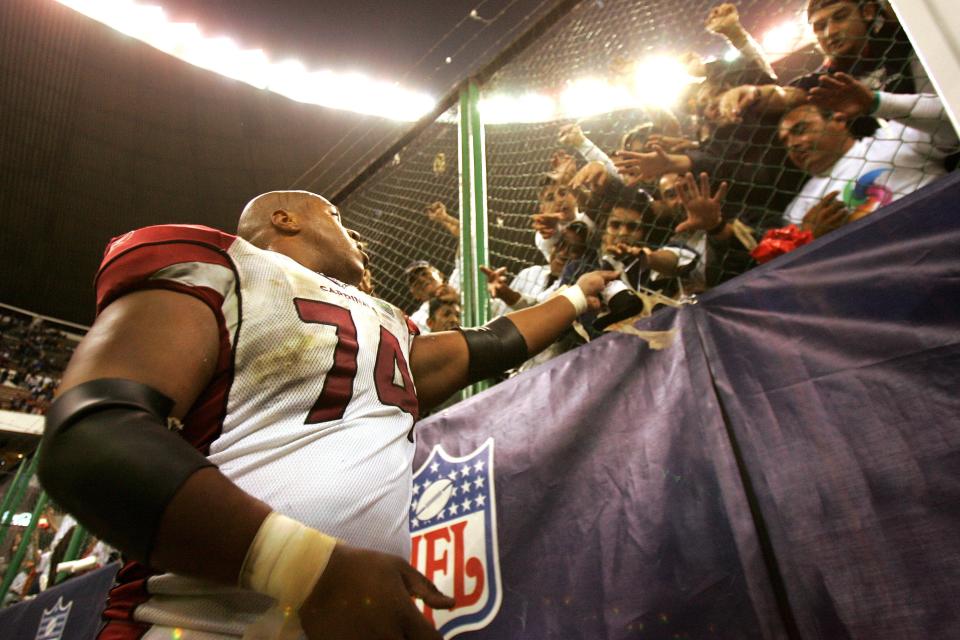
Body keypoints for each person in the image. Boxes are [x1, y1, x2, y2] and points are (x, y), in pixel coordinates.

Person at [37, 190, 615, 640]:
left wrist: (578, 296)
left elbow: (490, 344)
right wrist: (307, 569)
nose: (354, 231)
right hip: (196, 621)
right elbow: (93, 434)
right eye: (337, 215)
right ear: (285, 219)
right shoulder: (222, 264)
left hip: (358, 615)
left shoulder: (387, 322)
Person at [777, 104, 948, 232]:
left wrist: (877, 102)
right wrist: (811, 238)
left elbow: (949, 116)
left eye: (800, 130)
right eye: (785, 141)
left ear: (838, 120)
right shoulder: (797, 210)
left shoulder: (893, 138)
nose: (793, 144)